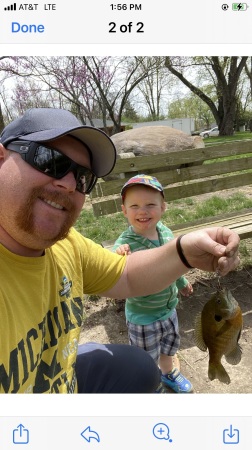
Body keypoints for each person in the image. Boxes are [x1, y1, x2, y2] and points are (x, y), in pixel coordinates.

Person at [0, 107, 240, 394]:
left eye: (82, 177)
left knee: (141, 368)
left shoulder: (67, 245)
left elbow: (125, 275)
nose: (67, 184)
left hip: (64, 383)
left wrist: (184, 252)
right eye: (50, 160)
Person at [113, 174, 194, 393]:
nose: (143, 211)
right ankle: (151, 383)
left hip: (168, 310)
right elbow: (110, 265)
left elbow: (173, 265)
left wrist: (181, 282)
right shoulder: (125, 243)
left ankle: (167, 374)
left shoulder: (166, 234)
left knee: (168, 348)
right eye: (135, 206)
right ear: (124, 210)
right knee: (145, 358)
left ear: (163, 207)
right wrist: (118, 255)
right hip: (143, 317)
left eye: (150, 205)